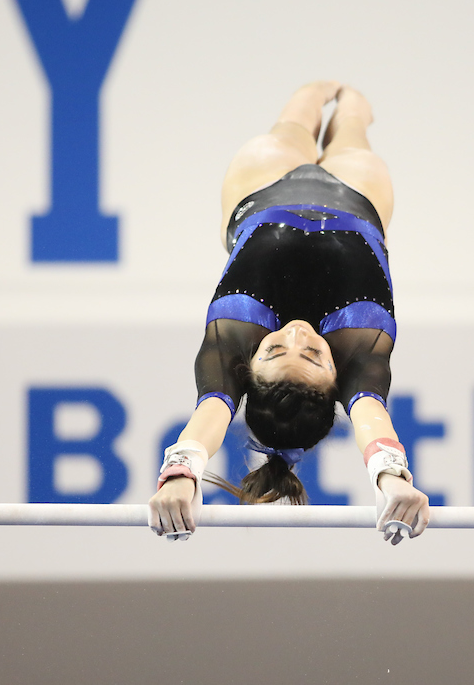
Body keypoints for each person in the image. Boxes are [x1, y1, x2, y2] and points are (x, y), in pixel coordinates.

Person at [148, 82, 431, 544]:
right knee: (353, 118)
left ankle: (322, 91)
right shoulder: (361, 345)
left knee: (302, 108)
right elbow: (371, 415)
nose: (297, 335)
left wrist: (181, 473)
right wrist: (391, 478)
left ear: (247, 366)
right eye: (315, 355)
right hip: (358, 195)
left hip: (260, 188)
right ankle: (350, 101)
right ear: (339, 378)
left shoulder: (234, 334)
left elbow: (212, 410)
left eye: (274, 350)